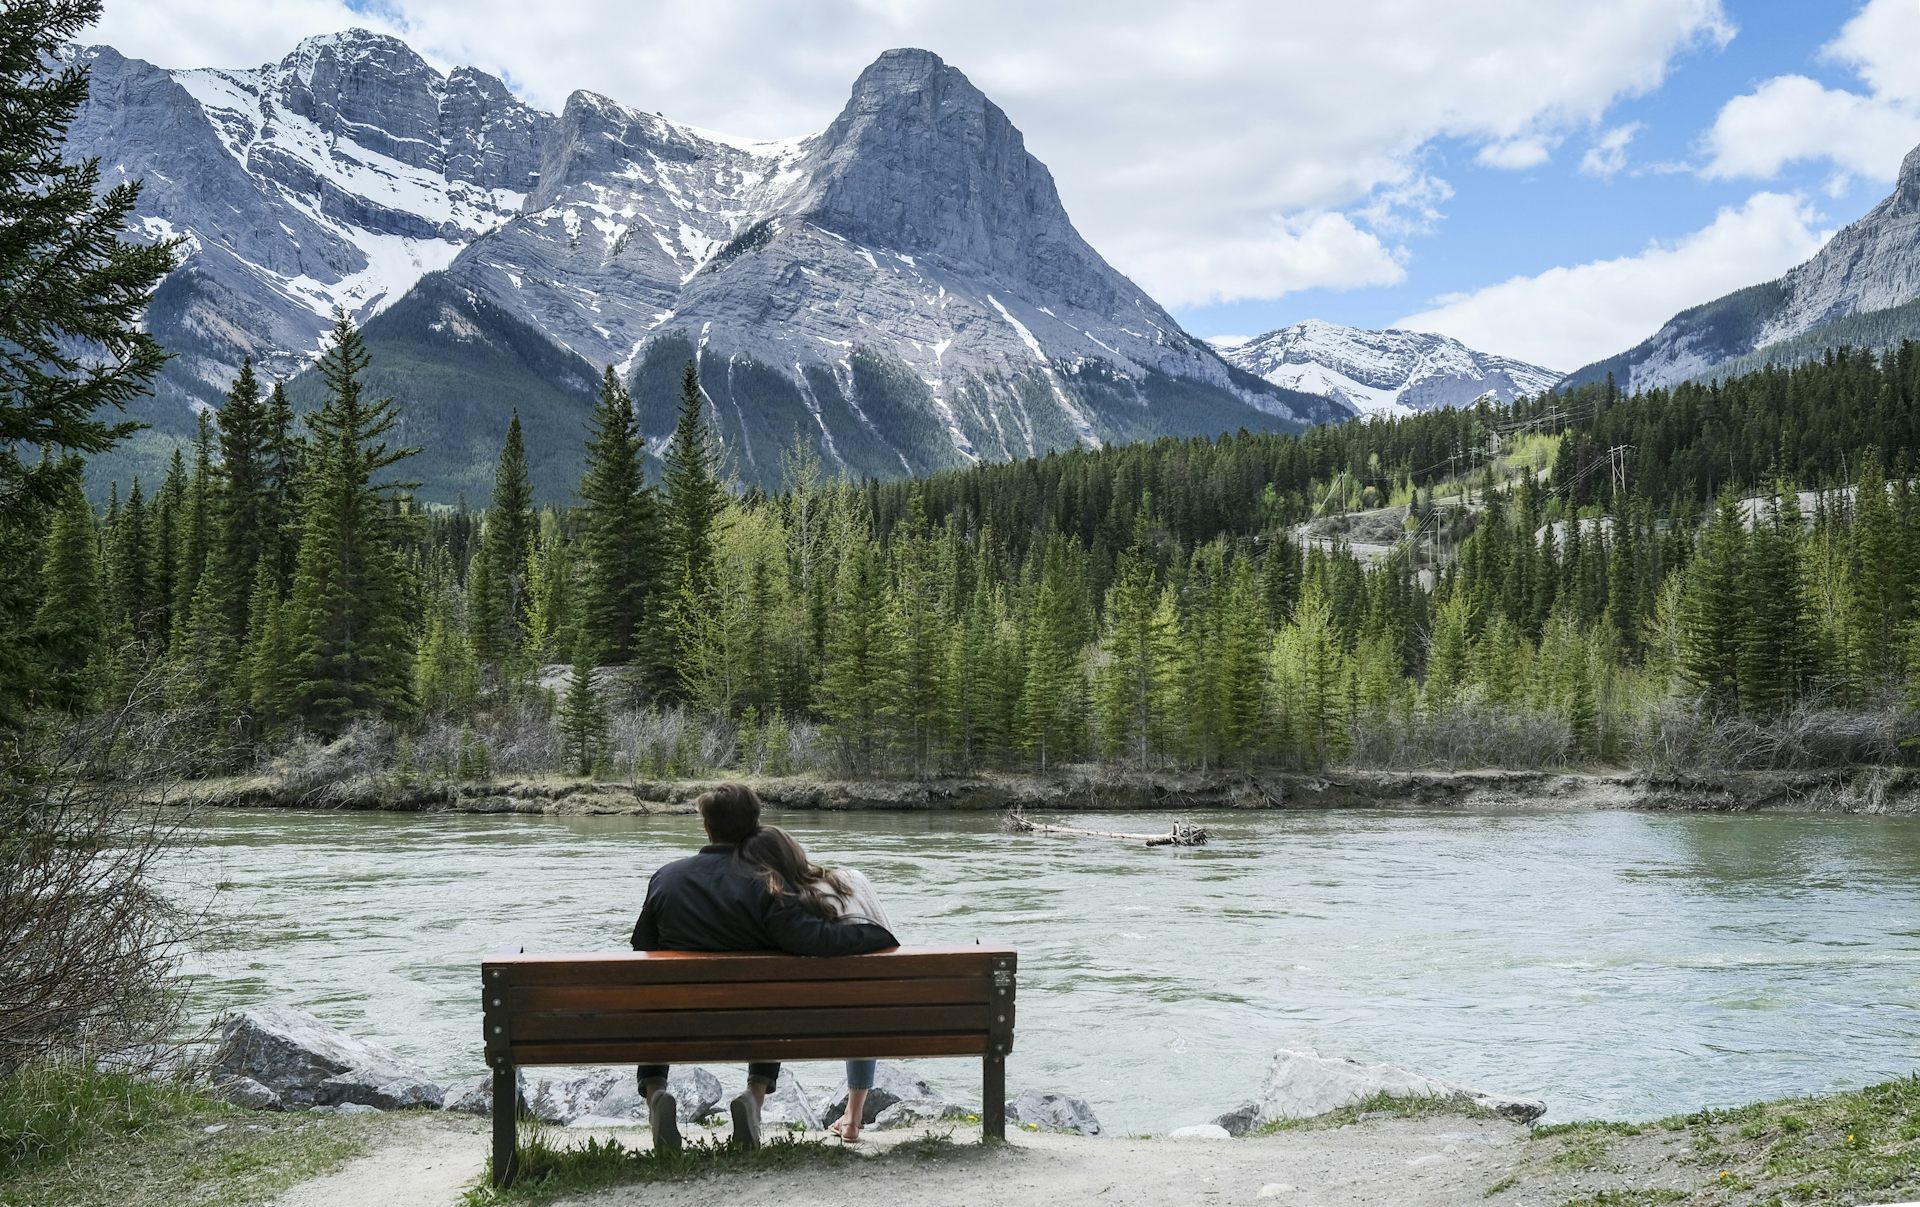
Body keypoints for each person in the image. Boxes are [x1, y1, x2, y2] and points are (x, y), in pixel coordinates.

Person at [630, 783, 897, 1153]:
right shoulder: (768, 884)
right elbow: (814, 940)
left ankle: (657, 1090)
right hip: (755, 1019)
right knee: (767, 997)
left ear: (706, 826)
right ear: (755, 825)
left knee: (655, 992)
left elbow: (642, 949)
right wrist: (875, 934)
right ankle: (754, 1097)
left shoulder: (666, 878)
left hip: (678, 1019)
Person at [738, 825, 895, 1143]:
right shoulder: (853, 879)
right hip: (880, 1011)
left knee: (769, 1001)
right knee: (863, 997)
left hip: (803, 1023)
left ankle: (754, 1099)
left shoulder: (781, 900)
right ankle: (853, 1118)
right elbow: (889, 937)